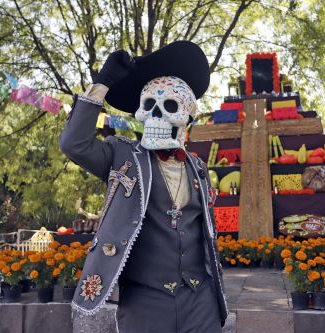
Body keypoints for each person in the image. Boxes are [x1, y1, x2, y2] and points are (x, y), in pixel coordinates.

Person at [59, 41, 227, 333]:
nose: (157, 115)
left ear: (188, 115)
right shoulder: (121, 156)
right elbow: (73, 144)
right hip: (144, 300)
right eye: (149, 106)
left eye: (170, 106)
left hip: (199, 298)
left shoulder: (198, 167)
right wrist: (102, 84)